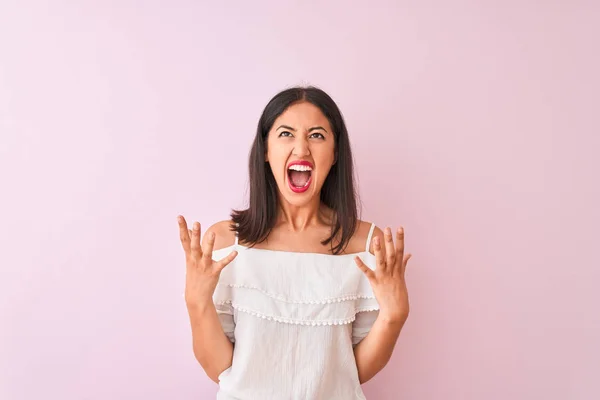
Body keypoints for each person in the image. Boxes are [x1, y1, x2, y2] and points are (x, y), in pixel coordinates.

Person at [177, 86, 413, 399]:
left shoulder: (370, 245)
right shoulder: (223, 242)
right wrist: (197, 302)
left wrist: (394, 317)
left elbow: (354, 373)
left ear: (335, 153)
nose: (301, 149)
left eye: (316, 135)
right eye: (286, 133)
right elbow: (219, 368)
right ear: (265, 150)